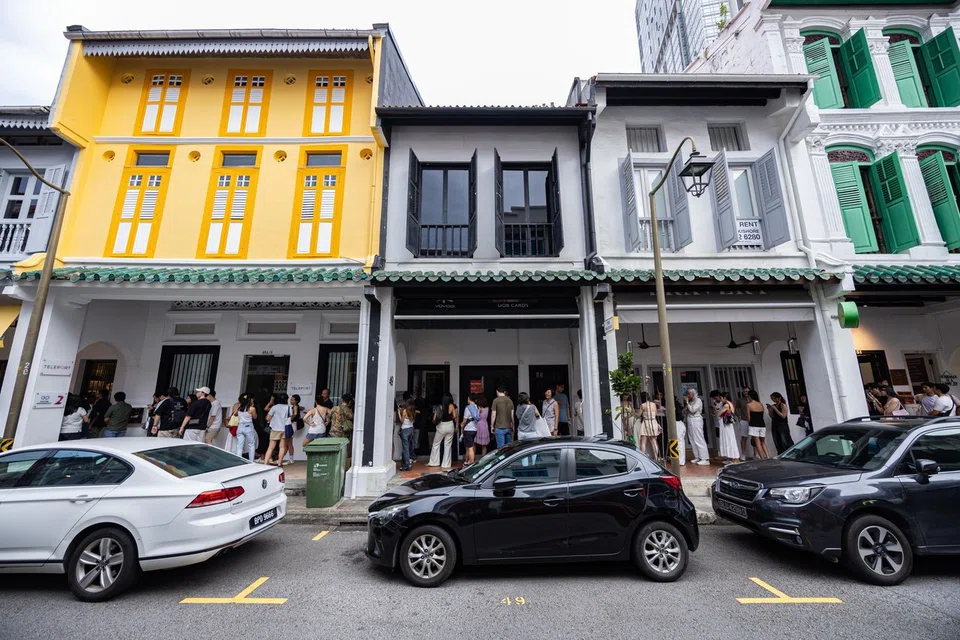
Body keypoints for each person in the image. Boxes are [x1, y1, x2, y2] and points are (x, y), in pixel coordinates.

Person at [428, 394, 458, 468]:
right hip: (450, 425)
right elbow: (454, 416)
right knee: (447, 445)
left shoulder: (439, 407)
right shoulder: (452, 406)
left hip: (442, 426)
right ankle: (446, 464)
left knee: (436, 444)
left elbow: (434, 419)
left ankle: (434, 462)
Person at [683, 389, 710, 465]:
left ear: (693, 394)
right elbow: (685, 410)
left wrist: (687, 402)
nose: (688, 395)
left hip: (696, 419)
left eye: (689, 394)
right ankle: (697, 456)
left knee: (699, 438)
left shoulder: (698, 400)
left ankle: (705, 458)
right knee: (692, 439)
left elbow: (693, 410)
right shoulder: (691, 401)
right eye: (687, 394)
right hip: (690, 420)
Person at [714, 390, 741, 462]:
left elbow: (718, 414)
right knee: (730, 440)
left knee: (728, 440)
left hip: (726, 425)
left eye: (721, 398)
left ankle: (734, 458)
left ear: (724, 398)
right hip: (728, 425)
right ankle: (732, 458)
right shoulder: (730, 403)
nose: (721, 400)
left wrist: (718, 409)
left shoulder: (726, 405)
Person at [263, 394, 290, 466]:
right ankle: (279, 462)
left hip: (275, 429)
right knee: (282, 447)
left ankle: (266, 463)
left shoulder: (274, 407)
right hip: (284, 429)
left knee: (271, 447)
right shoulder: (289, 408)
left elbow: (267, 418)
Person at [747, 390, 771, 459]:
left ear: (750, 396)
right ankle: (768, 456)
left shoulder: (749, 405)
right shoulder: (760, 404)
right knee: (763, 442)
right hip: (762, 425)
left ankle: (762, 458)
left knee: (757, 443)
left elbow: (749, 417)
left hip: (754, 425)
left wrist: (750, 425)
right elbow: (762, 415)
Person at [636, 392, 661, 460]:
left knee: (643, 442)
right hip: (653, 422)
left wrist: (634, 412)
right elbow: (655, 413)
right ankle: (656, 457)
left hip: (646, 423)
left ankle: (642, 458)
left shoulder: (643, 405)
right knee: (653, 441)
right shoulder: (654, 404)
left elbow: (638, 415)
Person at [234, 394, 257, 461]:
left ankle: (238, 460)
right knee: (251, 444)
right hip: (248, 426)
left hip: (240, 426)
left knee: (239, 445)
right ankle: (251, 460)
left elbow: (235, 414)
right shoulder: (252, 409)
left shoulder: (239, 408)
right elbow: (255, 417)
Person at [397, 398, 417, 471]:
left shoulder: (405, 411)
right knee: (408, 447)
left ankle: (407, 464)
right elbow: (413, 421)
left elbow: (402, 421)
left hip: (405, 430)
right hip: (411, 429)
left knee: (405, 448)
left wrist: (399, 412)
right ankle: (404, 464)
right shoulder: (414, 411)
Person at [460, 393, 481, 465]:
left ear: (469, 399)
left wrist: (462, 426)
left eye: (468, 399)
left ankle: (471, 463)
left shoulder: (468, 408)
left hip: (468, 429)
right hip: (474, 429)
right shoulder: (477, 407)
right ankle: (467, 461)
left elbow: (465, 420)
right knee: (471, 445)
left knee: (470, 447)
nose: (467, 400)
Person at [735, 387, 753, 459]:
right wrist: (739, 416)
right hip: (744, 420)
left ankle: (756, 454)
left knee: (754, 437)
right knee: (744, 437)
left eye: (747, 391)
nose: (746, 393)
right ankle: (743, 454)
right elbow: (736, 408)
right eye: (744, 392)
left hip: (752, 420)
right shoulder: (740, 400)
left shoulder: (752, 400)